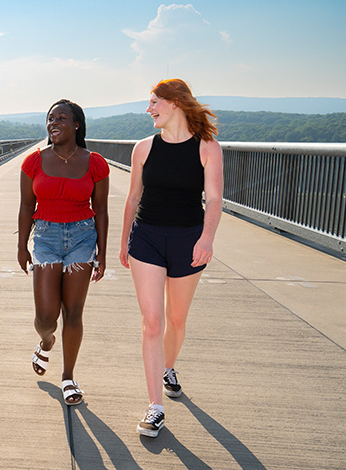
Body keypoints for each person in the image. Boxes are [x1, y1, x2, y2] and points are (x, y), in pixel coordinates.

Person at [119, 79, 223, 437]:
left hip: (188, 239)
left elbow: (214, 199)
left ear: (175, 103)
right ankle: (155, 407)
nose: (149, 109)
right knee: (152, 322)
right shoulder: (143, 148)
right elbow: (133, 198)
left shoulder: (208, 147)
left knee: (176, 319)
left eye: (153, 103)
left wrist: (207, 238)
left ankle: (168, 367)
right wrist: (123, 243)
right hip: (146, 238)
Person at [17, 99, 110, 406]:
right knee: (46, 317)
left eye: (60, 118)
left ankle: (68, 376)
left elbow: (102, 211)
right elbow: (26, 206)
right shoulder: (34, 162)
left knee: (73, 312)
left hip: (83, 238)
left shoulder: (95, 163)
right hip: (45, 237)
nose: (53, 123)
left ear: (77, 125)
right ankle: (46, 342)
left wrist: (102, 253)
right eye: (50, 119)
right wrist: (21, 246)